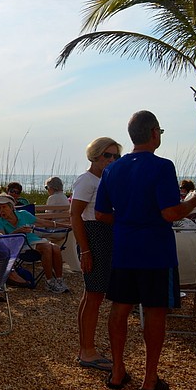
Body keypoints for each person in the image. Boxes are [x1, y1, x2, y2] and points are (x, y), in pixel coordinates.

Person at [95, 110, 196, 390]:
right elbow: (170, 212)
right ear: (155, 133)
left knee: (120, 308)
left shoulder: (112, 169)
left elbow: (100, 214)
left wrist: (127, 222)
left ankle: (118, 370)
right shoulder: (162, 166)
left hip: (124, 248)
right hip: (155, 251)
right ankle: (149, 378)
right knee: (155, 310)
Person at [71, 137, 122, 372]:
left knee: (93, 295)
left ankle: (87, 348)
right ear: (95, 156)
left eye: (115, 156)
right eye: (107, 155)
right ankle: (87, 351)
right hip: (95, 237)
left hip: (104, 237)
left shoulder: (106, 179)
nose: (111, 160)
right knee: (93, 296)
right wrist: (86, 250)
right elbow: (75, 216)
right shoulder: (87, 180)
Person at [0, 193, 69, 294]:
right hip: (20, 246)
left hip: (34, 241)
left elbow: (43, 223)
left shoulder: (23, 214)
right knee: (47, 247)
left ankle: (59, 280)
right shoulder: (0, 222)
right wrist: (18, 231)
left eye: (4, 207)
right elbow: (4, 239)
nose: (1, 210)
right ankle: (49, 282)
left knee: (55, 248)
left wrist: (66, 225)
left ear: (11, 207)